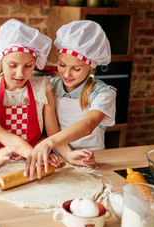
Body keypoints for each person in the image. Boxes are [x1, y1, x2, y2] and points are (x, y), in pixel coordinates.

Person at [0, 19, 95, 176]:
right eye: (12, 65)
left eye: (28, 66)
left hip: (36, 161)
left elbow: (52, 132)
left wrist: (68, 154)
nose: (20, 73)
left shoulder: (42, 87)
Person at [25, 20, 116, 178]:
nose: (67, 74)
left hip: (90, 161)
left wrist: (49, 143)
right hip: (56, 160)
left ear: (91, 67)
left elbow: (88, 125)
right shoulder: (50, 86)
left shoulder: (103, 93)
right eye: (61, 65)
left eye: (76, 68)